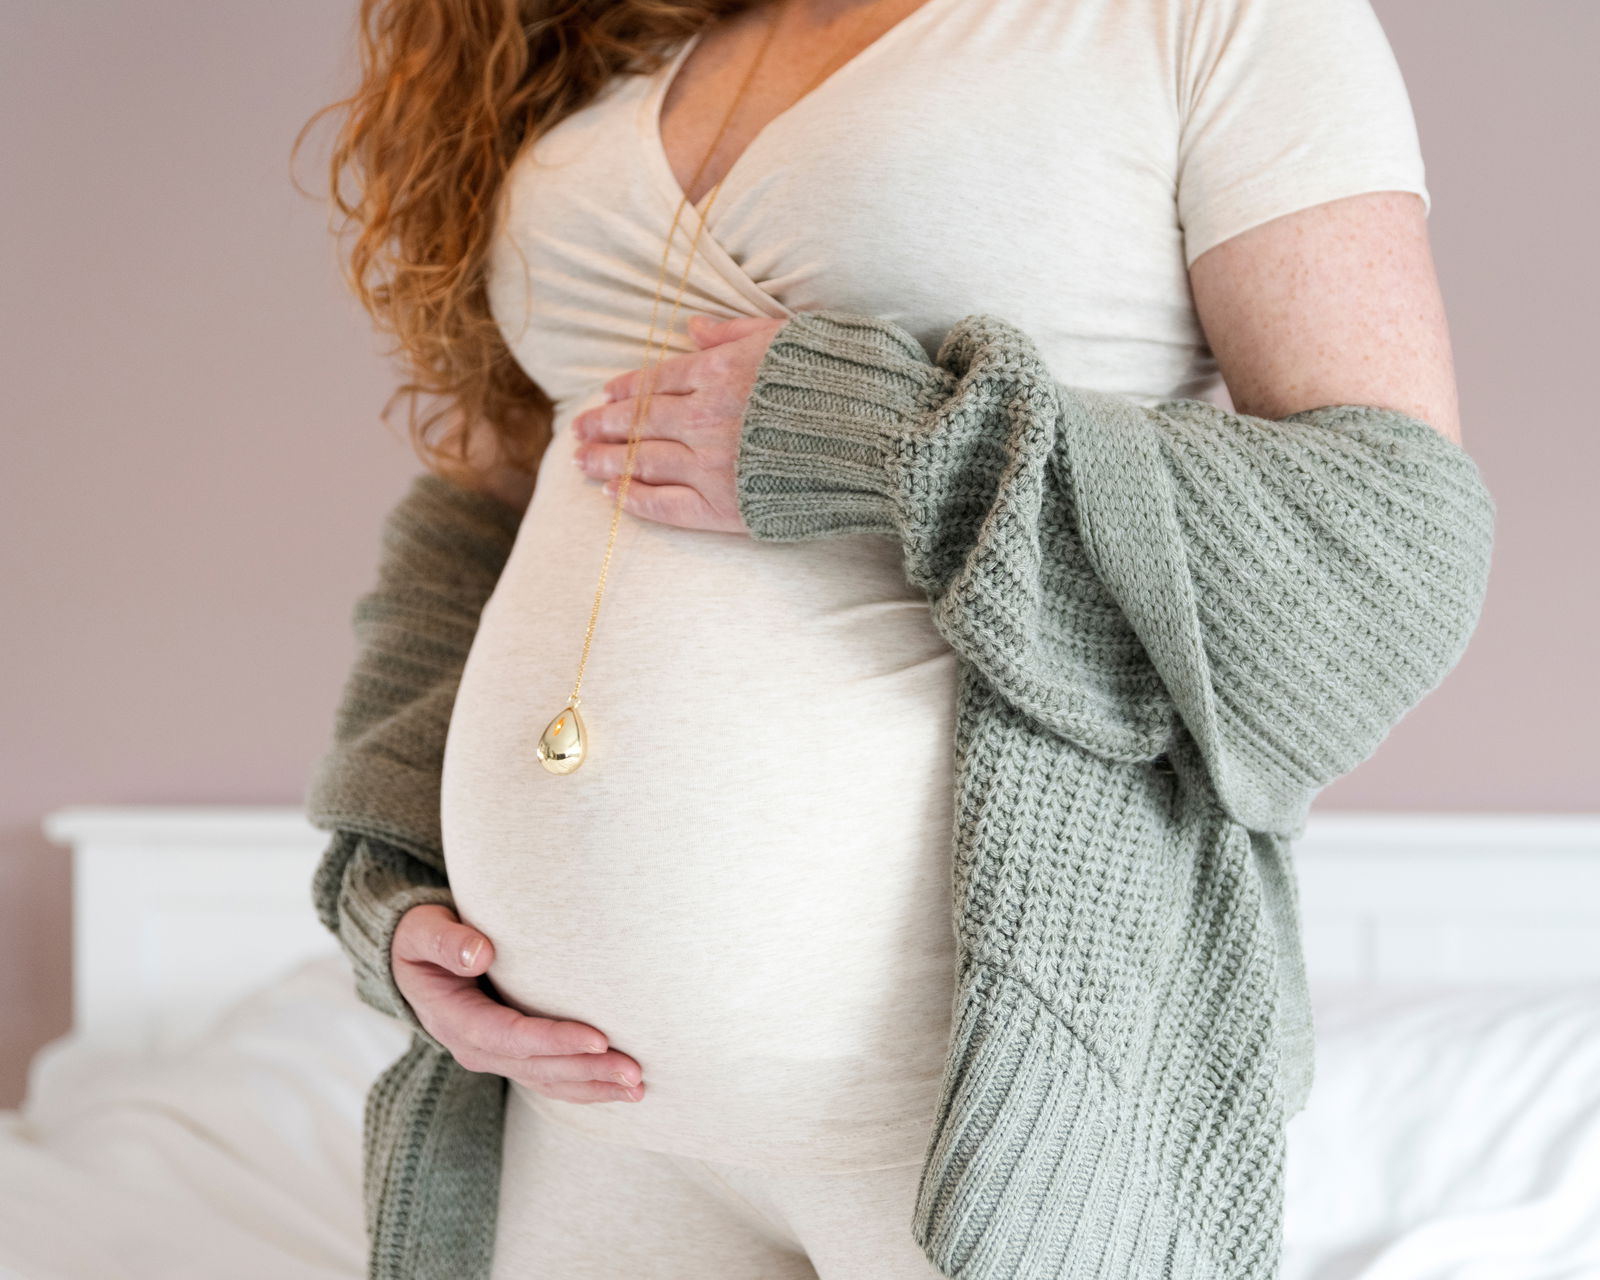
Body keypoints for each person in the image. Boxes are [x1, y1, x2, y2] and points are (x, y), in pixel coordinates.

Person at [302, 1, 1481, 1277]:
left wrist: (886, 434)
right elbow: (486, 506)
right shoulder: (612, 41)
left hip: (978, 1101)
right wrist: (394, 872)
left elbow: (1388, 546)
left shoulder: (1210, 22)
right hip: (574, 1122)